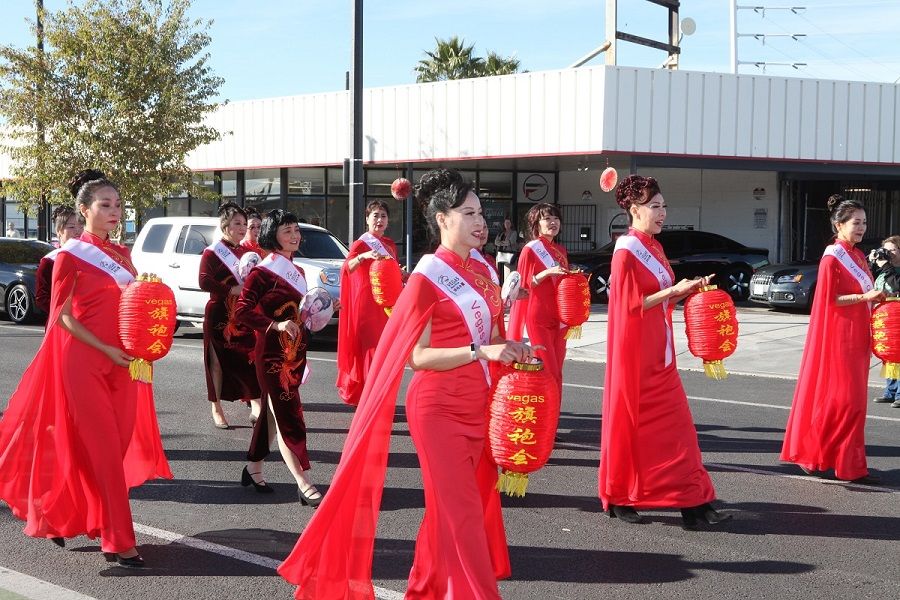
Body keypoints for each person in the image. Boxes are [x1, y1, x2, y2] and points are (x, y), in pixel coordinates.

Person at [278, 168, 533, 599]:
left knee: (445, 515)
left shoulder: (486, 276)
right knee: (463, 517)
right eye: (468, 213)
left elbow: (492, 339)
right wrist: (479, 352)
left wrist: (514, 347)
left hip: (479, 406)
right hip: (439, 410)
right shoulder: (426, 278)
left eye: (481, 213)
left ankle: (427, 588)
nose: (480, 222)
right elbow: (417, 357)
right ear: (442, 220)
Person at [0, 172, 171, 568]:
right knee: (107, 453)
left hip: (125, 366)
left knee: (111, 446)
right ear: (84, 209)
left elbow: (130, 307)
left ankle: (61, 511)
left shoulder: (123, 256)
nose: (115, 211)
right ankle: (119, 540)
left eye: (118, 205)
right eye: (105, 205)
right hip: (86, 363)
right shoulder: (70, 255)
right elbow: (60, 318)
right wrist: (106, 349)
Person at [599, 175, 731, 530]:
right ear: (634, 209)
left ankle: (695, 502)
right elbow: (629, 304)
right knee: (631, 426)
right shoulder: (626, 250)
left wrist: (685, 291)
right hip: (636, 353)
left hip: (660, 348)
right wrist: (674, 289)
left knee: (678, 430)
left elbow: (658, 297)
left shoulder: (655, 247)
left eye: (664, 206)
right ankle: (619, 495)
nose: (662, 213)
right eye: (655, 206)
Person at [781, 195, 885, 483]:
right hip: (840, 336)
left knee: (854, 402)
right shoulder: (833, 257)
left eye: (864, 222)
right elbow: (829, 299)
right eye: (855, 222)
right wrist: (865, 296)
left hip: (859, 334)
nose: (861, 227)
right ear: (839, 224)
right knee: (844, 401)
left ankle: (848, 463)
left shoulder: (859, 255)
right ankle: (814, 451)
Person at [233, 210, 325, 505]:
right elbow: (242, 311)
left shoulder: (297, 270)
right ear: (274, 235)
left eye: (296, 230)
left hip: (293, 353)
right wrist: (275, 325)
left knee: (272, 416)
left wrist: (319, 310)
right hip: (272, 354)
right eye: (287, 231)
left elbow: (296, 312)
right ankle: (303, 481)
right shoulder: (262, 272)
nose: (295, 236)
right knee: (288, 414)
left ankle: (254, 468)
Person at [199, 202, 261, 428]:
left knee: (248, 359)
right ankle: (216, 407)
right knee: (216, 362)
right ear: (225, 225)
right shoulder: (212, 252)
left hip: (242, 313)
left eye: (245, 224)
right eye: (237, 223)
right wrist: (229, 289)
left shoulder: (248, 253)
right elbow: (204, 281)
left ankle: (255, 402)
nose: (242, 228)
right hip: (219, 313)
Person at [336, 199, 400, 406]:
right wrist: (363, 256)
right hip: (366, 303)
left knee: (384, 350)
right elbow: (347, 268)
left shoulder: (390, 245)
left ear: (388, 220)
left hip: (386, 304)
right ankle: (369, 397)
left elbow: (392, 273)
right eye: (375, 215)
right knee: (371, 349)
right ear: (367, 219)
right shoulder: (361, 243)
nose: (379, 220)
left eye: (383, 216)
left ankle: (379, 395)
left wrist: (406, 275)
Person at [507, 202, 569, 392]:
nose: (553, 222)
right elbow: (523, 287)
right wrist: (547, 273)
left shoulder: (561, 250)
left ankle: (553, 413)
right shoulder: (530, 249)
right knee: (548, 367)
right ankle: (543, 411)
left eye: (556, 218)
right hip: (538, 316)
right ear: (536, 224)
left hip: (559, 316)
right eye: (547, 218)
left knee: (558, 368)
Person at [35, 201, 86, 315]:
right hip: (62, 322)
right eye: (71, 227)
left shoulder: (92, 256)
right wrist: (67, 314)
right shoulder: (49, 261)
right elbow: (42, 298)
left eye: (81, 226)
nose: (78, 231)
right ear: (59, 231)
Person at [869, 236, 900, 407]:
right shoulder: (882, 269)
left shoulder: (891, 270)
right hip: (886, 318)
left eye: (893, 250)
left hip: (898, 317)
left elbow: (896, 286)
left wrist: (886, 267)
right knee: (889, 355)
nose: (889, 254)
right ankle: (891, 391)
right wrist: (873, 262)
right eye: (886, 251)